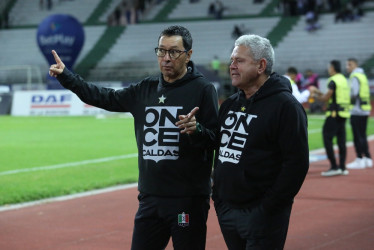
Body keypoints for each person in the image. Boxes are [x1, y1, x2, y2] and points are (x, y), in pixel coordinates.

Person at [49, 25, 219, 250]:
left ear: (188, 55)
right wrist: (67, 77)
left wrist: (196, 130)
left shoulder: (203, 89)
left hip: (186, 203)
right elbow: (105, 97)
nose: (166, 58)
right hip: (150, 199)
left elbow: (216, 139)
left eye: (174, 52)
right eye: (161, 51)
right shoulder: (145, 89)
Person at [212, 34, 309, 249]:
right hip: (227, 210)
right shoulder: (229, 105)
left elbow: (296, 164)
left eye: (239, 60)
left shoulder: (286, 106)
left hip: (263, 215)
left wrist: (267, 208)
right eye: (232, 60)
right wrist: (219, 198)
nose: (232, 66)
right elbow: (219, 154)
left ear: (261, 65)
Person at [312, 60, 351, 176]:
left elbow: (326, 98)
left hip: (334, 114)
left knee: (327, 137)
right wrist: (320, 93)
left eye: (329, 67)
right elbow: (331, 95)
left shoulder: (333, 80)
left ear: (333, 68)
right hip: (343, 113)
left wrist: (314, 95)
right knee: (341, 141)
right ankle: (343, 167)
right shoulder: (343, 79)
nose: (329, 69)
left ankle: (334, 166)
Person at [345, 58, 373, 169]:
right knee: (363, 135)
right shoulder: (363, 76)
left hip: (356, 110)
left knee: (357, 136)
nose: (347, 67)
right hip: (365, 109)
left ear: (355, 65)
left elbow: (354, 93)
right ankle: (367, 158)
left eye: (349, 64)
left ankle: (359, 158)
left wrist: (347, 101)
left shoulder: (355, 76)